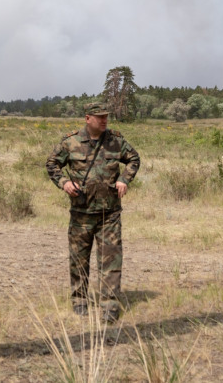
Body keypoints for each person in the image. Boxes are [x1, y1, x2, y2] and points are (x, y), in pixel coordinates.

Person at [45, 102, 140, 322]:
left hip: (110, 213)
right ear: (88, 119)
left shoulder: (116, 141)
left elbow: (134, 159)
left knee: (111, 261)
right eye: (100, 117)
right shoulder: (71, 142)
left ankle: (110, 306)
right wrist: (64, 182)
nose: (105, 120)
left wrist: (124, 179)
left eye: (106, 116)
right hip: (81, 213)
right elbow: (52, 164)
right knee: (79, 259)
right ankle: (79, 300)